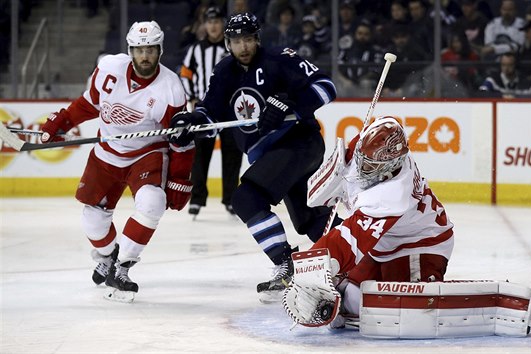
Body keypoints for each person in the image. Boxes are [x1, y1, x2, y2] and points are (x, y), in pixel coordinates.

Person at [170, 12, 340, 301]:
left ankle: (285, 265)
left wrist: (291, 106)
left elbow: (327, 87)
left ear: (257, 39)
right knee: (309, 218)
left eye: (248, 39)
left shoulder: (280, 59)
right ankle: (359, 256)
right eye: (237, 41)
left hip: (300, 142)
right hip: (272, 155)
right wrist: (191, 123)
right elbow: (210, 114)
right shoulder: (224, 72)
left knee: (247, 198)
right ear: (228, 44)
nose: (244, 47)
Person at [39, 21, 192, 302]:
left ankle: (122, 268)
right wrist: (61, 122)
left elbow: (181, 140)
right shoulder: (109, 68)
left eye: (150, 49)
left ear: (160, 50)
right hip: (106, 152)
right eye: (138, 50)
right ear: (130, 50)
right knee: (92, 221)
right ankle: (108, 257)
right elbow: (88, 104)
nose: (144, 56)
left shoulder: (170, 89)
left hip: (146, 154)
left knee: (152, 202)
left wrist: (179, 179)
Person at [288, 117, 455, 327]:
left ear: (392, 165)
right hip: (383, 242)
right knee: (351, 293)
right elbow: (385, 125)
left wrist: (312, 267)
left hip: (420, 243)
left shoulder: (392, 195)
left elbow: (348, 239)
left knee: (411, 311)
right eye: (362, 159)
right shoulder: (374, 147)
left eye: (371, 165)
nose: (362, 167)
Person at [180, 6, 243, 217]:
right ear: (205, 25)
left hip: (229, 109)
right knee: (199, 155)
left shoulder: (232, 49)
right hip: (203, 109)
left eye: (217, 22)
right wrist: (192, 98)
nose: (213, 26)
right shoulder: (195, 49)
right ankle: (197, 199)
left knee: (232, 154)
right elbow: (185, 74)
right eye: (210, 22)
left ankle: (231, 199)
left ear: (222, 24)